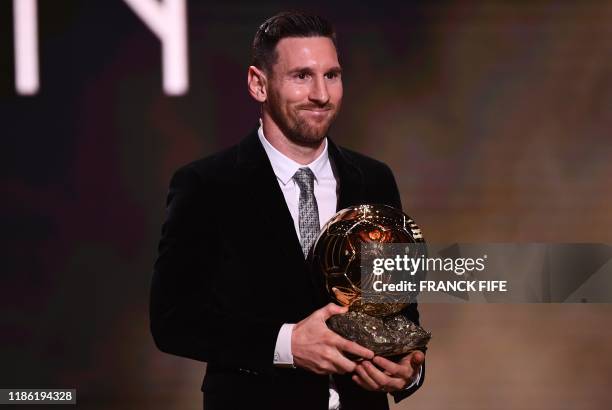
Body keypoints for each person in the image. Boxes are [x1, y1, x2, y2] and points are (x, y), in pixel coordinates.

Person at [150, 11, 425, 410]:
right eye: (302, 76)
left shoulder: (375, 179)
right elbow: (173, 320)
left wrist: (409, 369)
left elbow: (402, 308)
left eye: (332, 75)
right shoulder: (207, 185)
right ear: (258, 84)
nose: (321, 94)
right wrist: (286, 344)